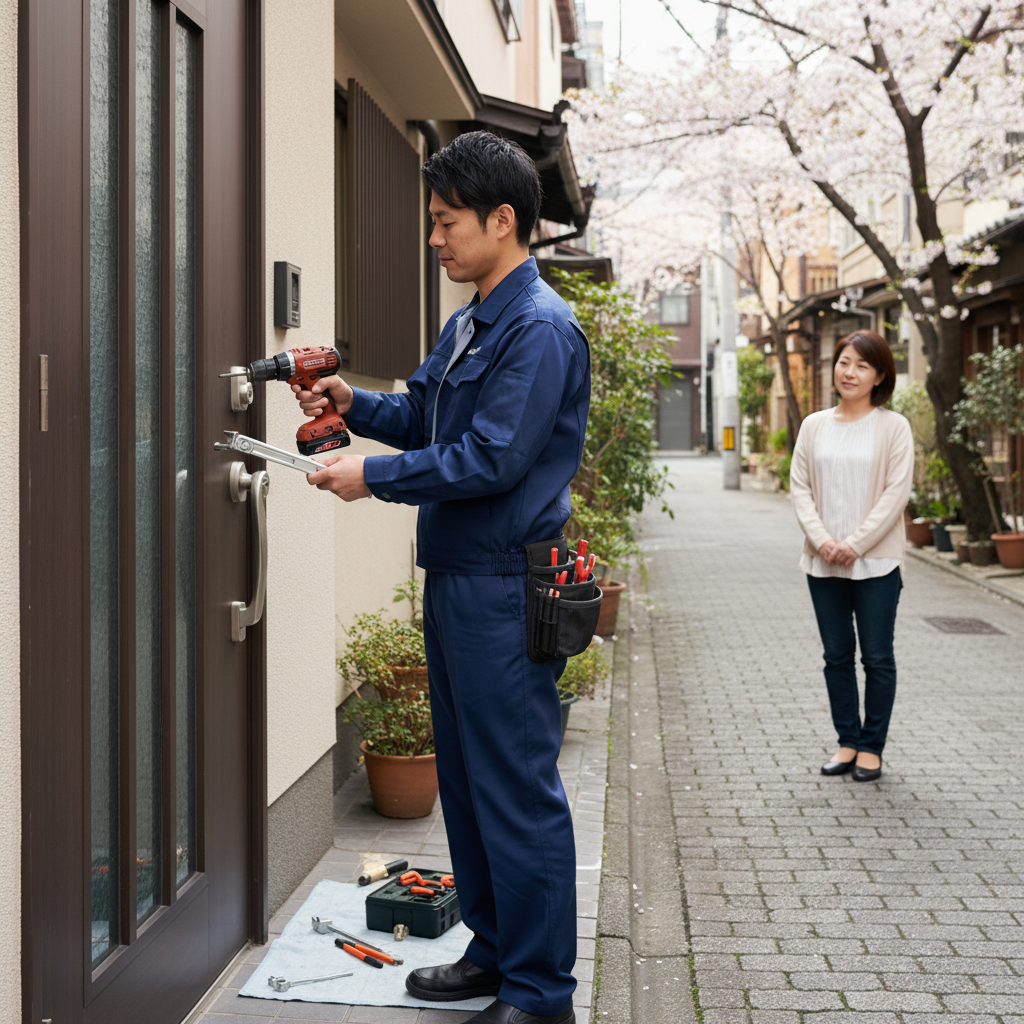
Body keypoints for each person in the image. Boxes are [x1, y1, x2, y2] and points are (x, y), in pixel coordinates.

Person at [293, 131, 588, 1024]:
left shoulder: (539, 329)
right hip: (460, 579)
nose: (434, 238)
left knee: (517, 791)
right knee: (465, 785)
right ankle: (494, 953)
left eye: (446, 221)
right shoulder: (471, 320)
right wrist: (353, 404)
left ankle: (540, 994)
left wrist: (372, 477)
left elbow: (493, 457)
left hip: (506, 585)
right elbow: (424, 412)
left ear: (502, 221)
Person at [790, 330, 914, 782]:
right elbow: (800, 488)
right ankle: (847, 740)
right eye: (845, 362)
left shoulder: (894, 427)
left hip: (877, 562)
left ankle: (871, 746)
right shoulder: (814, 425)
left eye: (862, 365)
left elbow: (895, 494)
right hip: (822, 562)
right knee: (836, 656)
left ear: (879, 376)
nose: (850, 372)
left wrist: (855, 544)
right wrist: (824, 540)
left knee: (877, 657)